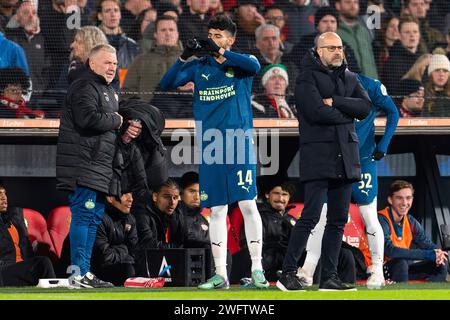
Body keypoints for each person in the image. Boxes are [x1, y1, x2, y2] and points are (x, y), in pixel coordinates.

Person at [159, 14, 269, 290]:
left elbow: (255, 66)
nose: (213, 39)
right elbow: (166, 83)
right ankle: (221, 274)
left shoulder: (242, 64)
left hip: (239, 142)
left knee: (247, 204)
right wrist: (184, 57)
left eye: (219, 35)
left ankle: (257, 269)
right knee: (216, 209)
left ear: (230, 40)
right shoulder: (199, 66)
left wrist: (220, 51)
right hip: (211, 146)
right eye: (211, 34)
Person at [276, 32, 371, 292]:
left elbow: (365, 107)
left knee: (338, 220)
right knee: (310, 217)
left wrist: (337, 102)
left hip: (345, 157)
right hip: (318, 157)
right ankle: (287, 273)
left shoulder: (350, 77)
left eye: (340, 47)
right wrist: (347, 114)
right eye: (331, 48)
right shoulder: (306, 77)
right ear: (318, 51)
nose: (338, 52)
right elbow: (316, 112)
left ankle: (329, 276)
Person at [296, 74, 400, 290]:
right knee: (323, 216)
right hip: (334, 159)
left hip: (362, 160)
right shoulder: (322, 85)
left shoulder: (371, 86)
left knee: (369, 215)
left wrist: (384, 144)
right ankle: (307, 270)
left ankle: (377, 271)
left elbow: (393, 112)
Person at [56, 44, 142, 288]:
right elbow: (88, 119)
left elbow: (107, 128)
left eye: (115, 63)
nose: (112, 67)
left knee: (93, 219)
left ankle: (85, 272)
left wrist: (123, 130)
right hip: (83, 166)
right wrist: (117, 120)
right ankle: (77, 274)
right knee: (84, 216)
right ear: (92, 64)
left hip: (100, 168)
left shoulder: (109, 90)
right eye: (107, 63)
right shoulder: (84, 86)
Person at [378, 180, 448, 282]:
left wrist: (438, 253)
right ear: (390, 200)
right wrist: (429, 254)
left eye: (408, 198)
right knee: (401, 263)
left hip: (402, 268)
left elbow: (426, 243)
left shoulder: (410, 221)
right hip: (380, 270)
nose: (405, 203)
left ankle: (429, 296)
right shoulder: (381, 218)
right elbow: (390, 251)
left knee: (442, 263)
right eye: (399, 198)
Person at [0, 181, 56, 286]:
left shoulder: (13, 220)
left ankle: (54, 292)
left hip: (20, 267)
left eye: (4, 193)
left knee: (42, 263)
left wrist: (33, 248)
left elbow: (24, 248)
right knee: (43, 263)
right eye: (0, 194)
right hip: (3, 270)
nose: (4, 198)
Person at [123, 15, 182, 101]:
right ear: (155, 34)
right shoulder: (140, 61)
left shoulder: (191, 61)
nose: (168, 33)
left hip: (184, 113)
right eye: (163, 30)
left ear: (177, 34)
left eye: (171, 30)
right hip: (147, 112)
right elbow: (126, 94)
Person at [91, 192, 138, 286]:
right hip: (89, 273)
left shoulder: (130, 219)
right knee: (127, 269)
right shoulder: (97, 218)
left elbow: (135, 252)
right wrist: (124, 249)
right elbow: (104, 257)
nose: (131, 199)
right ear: (110, 198)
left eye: (131, 195)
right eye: (124, 194)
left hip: (113, 267)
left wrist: (118, 251)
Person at [335, 0, 378, 79]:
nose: (353, 6)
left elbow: (371, 61)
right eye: (348, 2)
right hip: (350, 85)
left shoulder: (364, 30)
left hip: (370, 85)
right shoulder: (335, 32)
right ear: (338, 5)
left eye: (355, 2)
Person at [381, 15, 423, 94]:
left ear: (419, 35)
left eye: (415, 32)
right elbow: (396, 92)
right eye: (407, 32)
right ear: (399, 36)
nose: (412, 35)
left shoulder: (423, 58)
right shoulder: (392, 63)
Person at [93, 0, 139, 70]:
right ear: (100, 16)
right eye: (108, 11)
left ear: (120, 15)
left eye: (116, 10)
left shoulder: (132, 46)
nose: (113, 14)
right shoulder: (93, 44)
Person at [423, 52, 450, 116]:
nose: (441, 74)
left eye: (445, 71)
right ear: (430, 74)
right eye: (437, 70)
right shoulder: (423, 95)